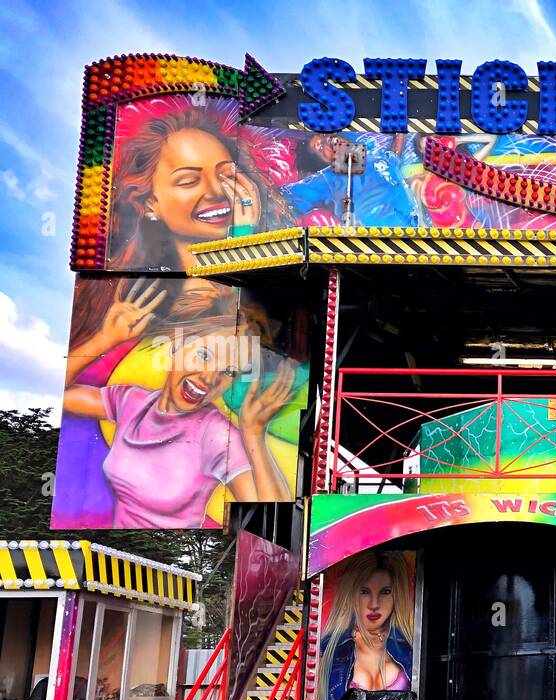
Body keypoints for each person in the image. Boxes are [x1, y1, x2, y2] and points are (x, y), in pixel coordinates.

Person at [62, 279, 298, 528]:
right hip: (124, 552)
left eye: (229, 371)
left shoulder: (216, 434)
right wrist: (104, 339)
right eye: (204, 355)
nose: (210, 378)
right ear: (176, 347)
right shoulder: (131, 401)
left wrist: (254, 437)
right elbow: (63, 396)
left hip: (182, 558)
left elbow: (276, 522)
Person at [109, 106, 293, 271]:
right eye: (189, 180)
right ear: (150, 204)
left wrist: (244, 235)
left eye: (227, 175)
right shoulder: (132, 289)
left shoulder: (285, 258)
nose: (216, 191)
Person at [320, 551, 416, 700]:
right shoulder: (329, 649)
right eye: (365, 592)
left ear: (397, 595)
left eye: (385, 592)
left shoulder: (410, 649)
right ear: (351, 595)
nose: (374, 604)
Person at [284, 133, 417, 227]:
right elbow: (286, 195)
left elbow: (393, 156)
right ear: (321, 163)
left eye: (323, 135)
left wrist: (400, 130)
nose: (326, 139)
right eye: (319, 147)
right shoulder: (327, 178)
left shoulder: (372, 156)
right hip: (380, 244)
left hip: (411, 234)